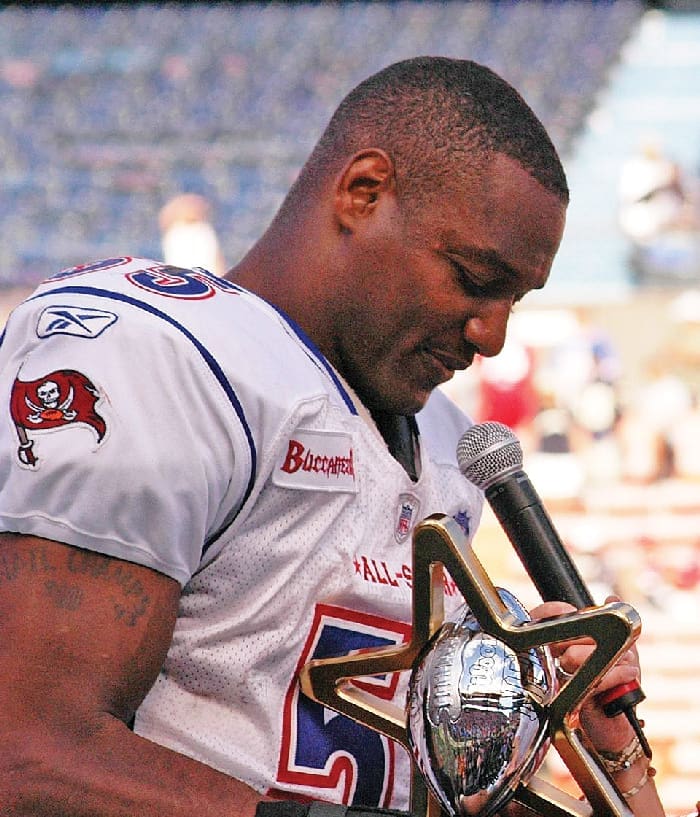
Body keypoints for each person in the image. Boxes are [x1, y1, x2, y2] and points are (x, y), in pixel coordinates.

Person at [0, 57, 665, 817]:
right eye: (476, 279)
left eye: (514, 298)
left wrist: (598, 746)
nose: (492, 335)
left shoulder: (442, 445)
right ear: (363, 192)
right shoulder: (157, 349)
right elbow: (25, 754)